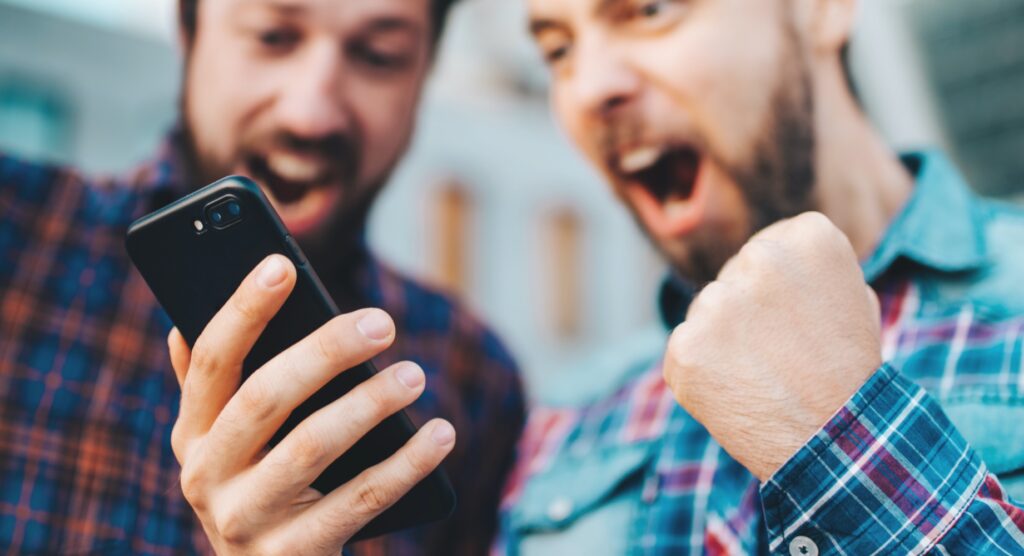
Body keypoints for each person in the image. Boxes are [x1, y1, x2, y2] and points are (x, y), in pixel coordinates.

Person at [498, 0, 1024, 553]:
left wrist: (845, 439)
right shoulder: (565, 424)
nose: (589, 88)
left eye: (648, 11)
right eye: (558, 51)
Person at [0, 0, 524, 554]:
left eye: (379, 56)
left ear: (425, 75)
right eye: (273, 36)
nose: (311, 114)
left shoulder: (475, 375)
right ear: (188, 28)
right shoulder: (16, 233)